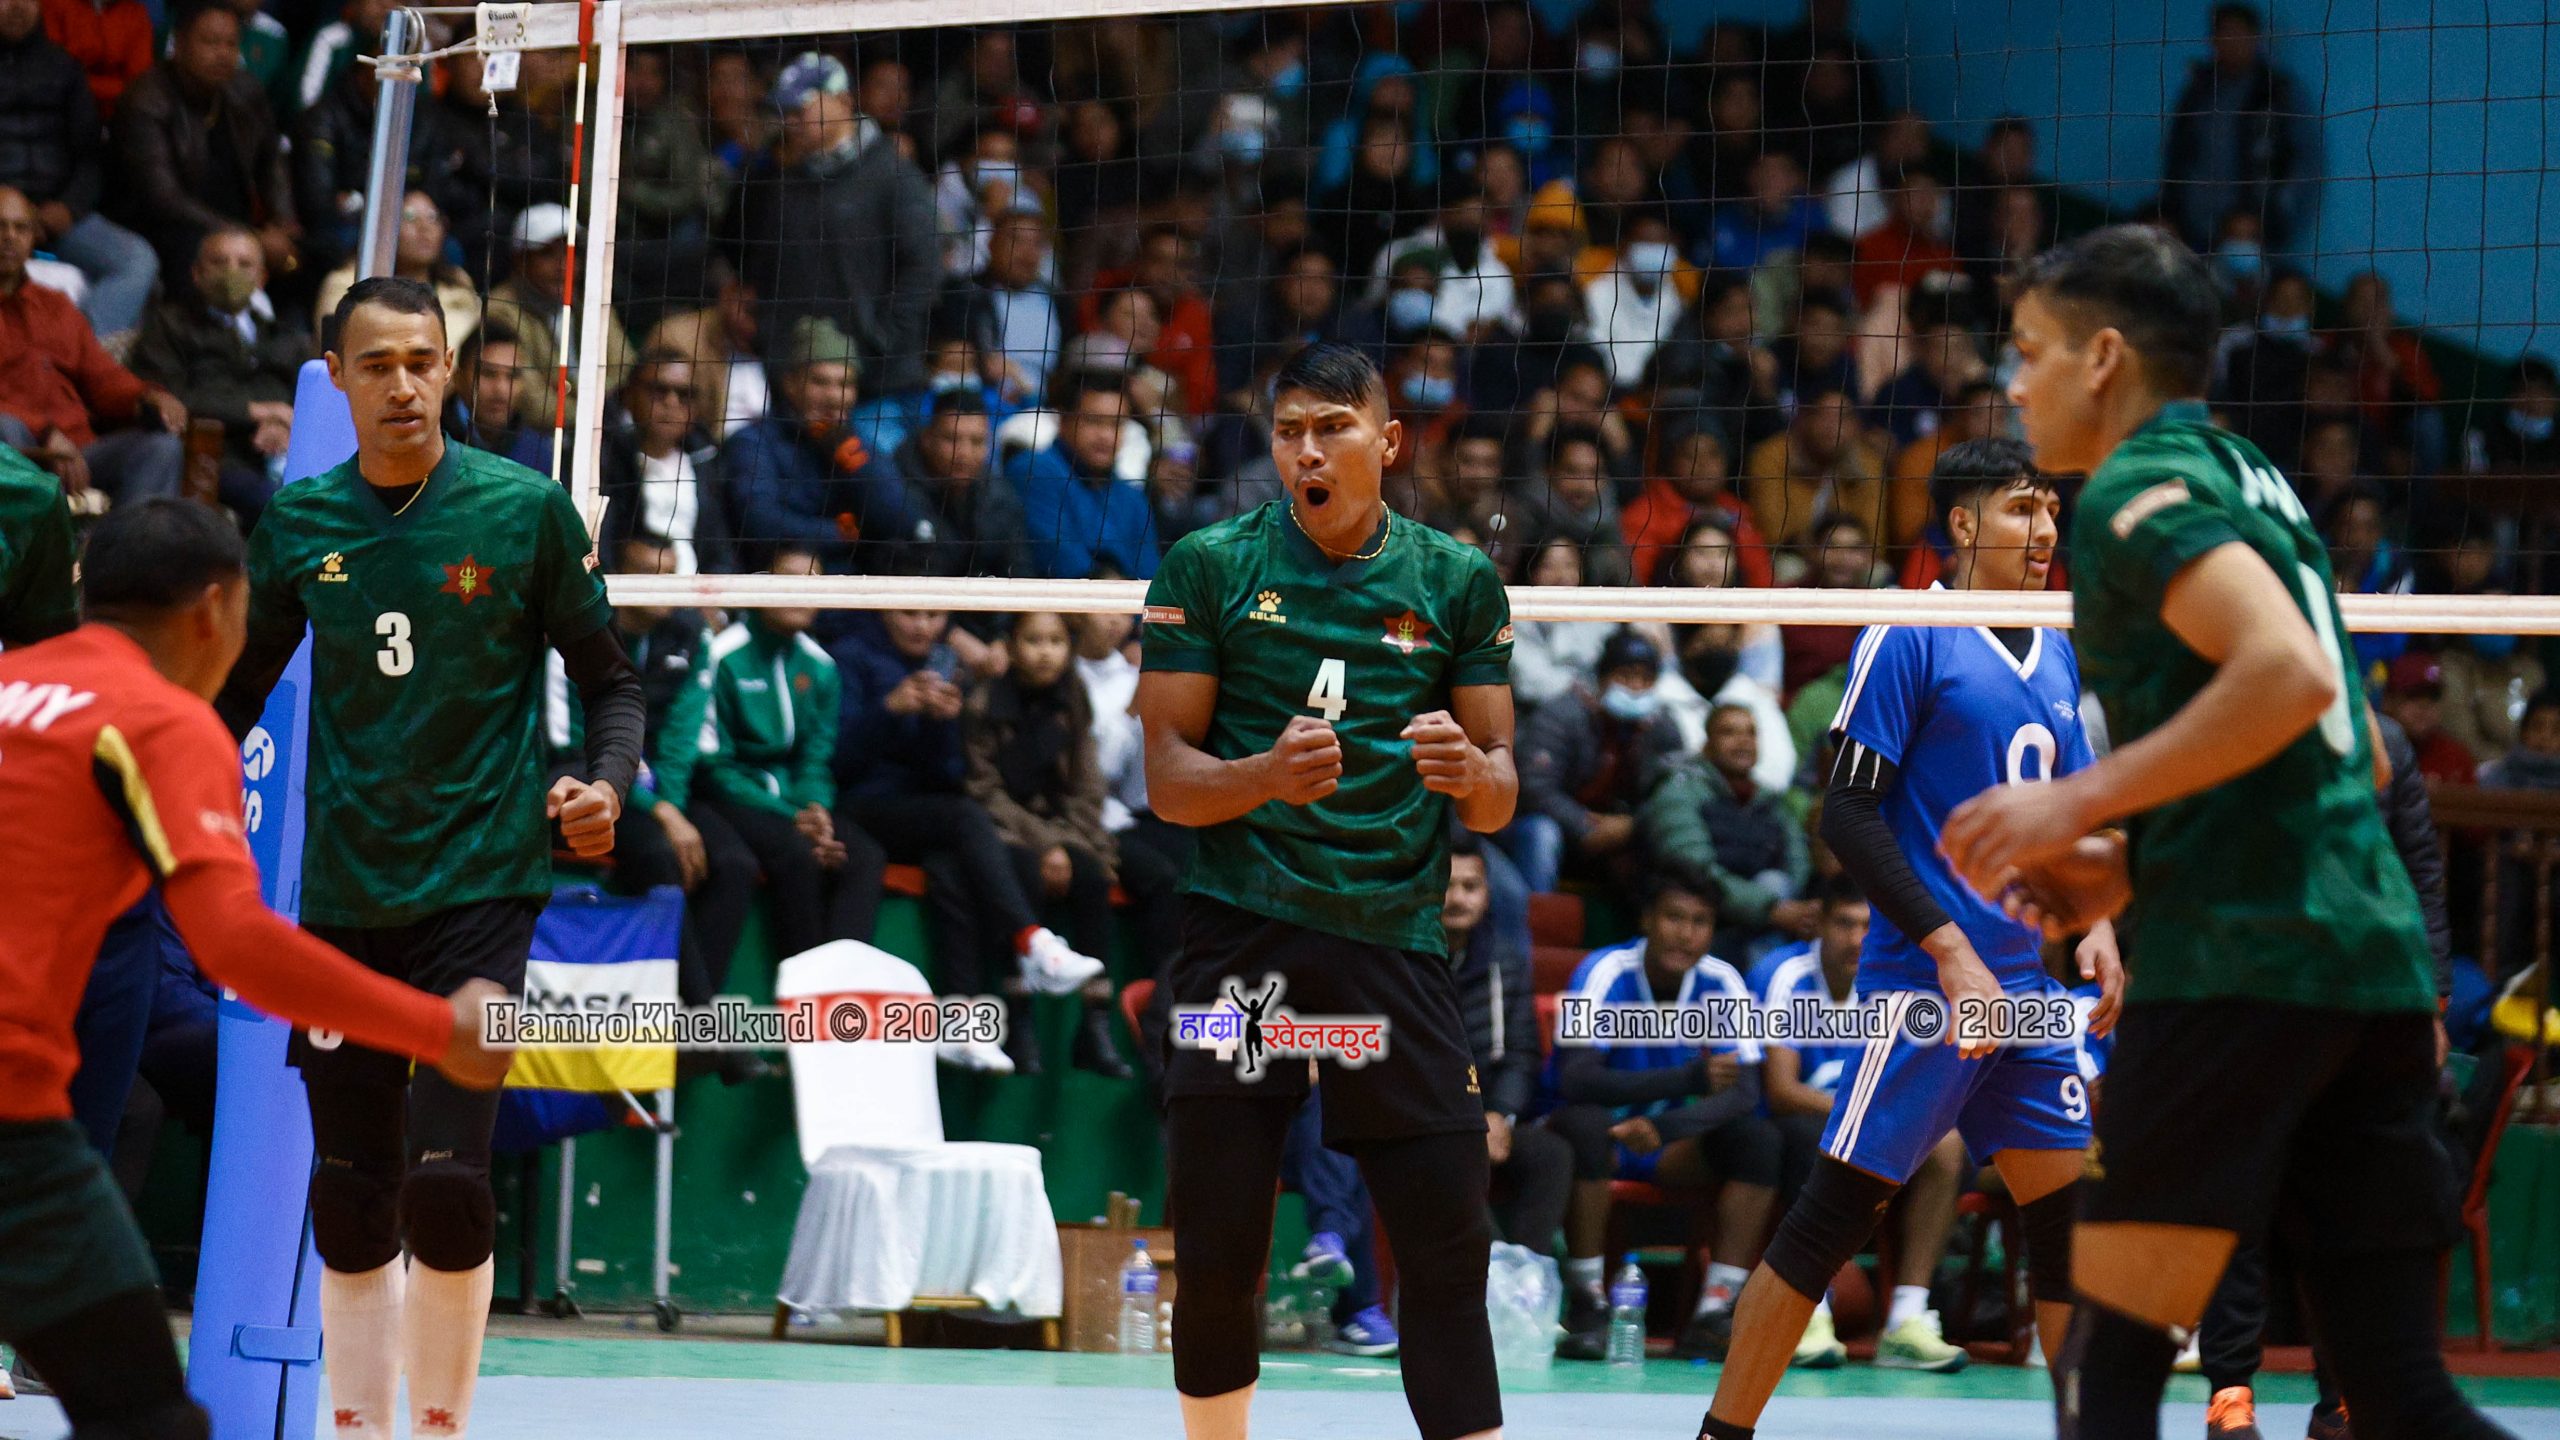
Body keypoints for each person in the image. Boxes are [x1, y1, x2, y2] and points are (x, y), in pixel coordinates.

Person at [1937, 224, 2510, 1440]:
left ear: (2102, 358)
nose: (2013, 383)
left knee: (2106, 1373)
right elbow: (2353, 747)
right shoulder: (2252, 476)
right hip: (2367, 964)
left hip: (2241, 967)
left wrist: (2074, 803)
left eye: (2029, 351)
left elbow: (2287, 677)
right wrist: (2131, 866)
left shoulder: (2132, 494)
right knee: (2401, 1395)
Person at [214, 276, 646, 1440]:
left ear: (450, 370)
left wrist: (605, 785)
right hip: (346, 895)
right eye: (377, 365)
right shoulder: (300, 524)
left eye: (421, 361)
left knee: (450, 1187)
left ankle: (442, 1426)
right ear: (337, 380)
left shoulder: (523, 511)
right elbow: (229, 700)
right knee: (352, 1198)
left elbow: (612, 683)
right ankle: (359, 1424)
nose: (402, 385)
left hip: (484, 886)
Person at [0, 498, 514, 1440]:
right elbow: (235, 944)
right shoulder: (160, 719)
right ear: (216, 609)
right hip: (12, 1128)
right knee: (148, 1422)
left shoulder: (12, 682)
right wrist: (439, 1029)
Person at [1696, 435, 2122, 1440]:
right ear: (1964, 524)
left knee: (2068, 1235)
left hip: (2024, 997)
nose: (2045, 529)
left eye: (2050, 509)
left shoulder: (2055, 646)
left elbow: (2068, 817)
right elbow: (1847, 813)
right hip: (1927, 991)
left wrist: (2097, 922)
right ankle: (1721, 1435)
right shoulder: (1908, 629)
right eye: (2021, 508)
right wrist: (1949, 948)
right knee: (1831, 1221)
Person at [1136, 341, 1516, 1440]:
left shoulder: (1457, 581)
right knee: (1217, 1248)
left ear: (1385, 443)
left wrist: (1470, 772)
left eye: (1332, 428)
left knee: (1448, 1247)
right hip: (1238, 938)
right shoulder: (1207, 565)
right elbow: (1167, 783)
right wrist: (1262, 776)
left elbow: (1498, 797)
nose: (1308, 450)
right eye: (1289, 430)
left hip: (1392, 937)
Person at [1543, 877, 1780, 1361]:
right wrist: (1686, 1079)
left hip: (1670, 1145)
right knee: (1585, 1125)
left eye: (1700, 922)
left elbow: (1745, 1091)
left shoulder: (1722, 981)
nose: (1685, 934)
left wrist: (1665, 1128)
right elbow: (1577, 1078)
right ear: (1647, 920)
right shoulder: (1603, 970)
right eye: (1674, 918)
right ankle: (1588, 1300)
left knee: (1759, 1141)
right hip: (1604, 1138)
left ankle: (1715, 1310)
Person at [1750, 876, 1971, 1372]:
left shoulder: (1899, 980)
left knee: (1947, 1145)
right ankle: (1808, 1313)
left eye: (1868, 927)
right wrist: (1867, 1112)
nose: (1856, 939)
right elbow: (1782, 1091)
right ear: (1818, 924)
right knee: (1816, 1140)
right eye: (1844, 924)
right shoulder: (1784, 974)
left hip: (1867, 1119)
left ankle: (1908, 1319)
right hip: (1798, 1124)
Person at [962, 611, 1131, 1078]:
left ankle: (1095, 1024)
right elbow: (984, 791)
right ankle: (1020, 1021)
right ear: (1012, 646)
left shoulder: (1073, 696)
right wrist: (1045, 846)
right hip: (1007, 830)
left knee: (1093, 877)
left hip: (1064, 828)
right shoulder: (983, 703)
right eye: (1033, 640)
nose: (1045, 652)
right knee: (1022, 872)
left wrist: (1078, 845)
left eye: (1055, 641)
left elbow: (1088, 783)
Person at [696, 546, 883, 963]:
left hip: (794, 804)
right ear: (762, 585)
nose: (800, 592)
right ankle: (800, 988)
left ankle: (842, 984)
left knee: (864, 856)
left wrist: (817, 812)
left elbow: (815, 758)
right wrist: (790, 816)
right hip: (733, 796)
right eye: (789, 579)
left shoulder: (821, 666)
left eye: (812, 582)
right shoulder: (723, 656)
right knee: (798, 854)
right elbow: (714, 766)